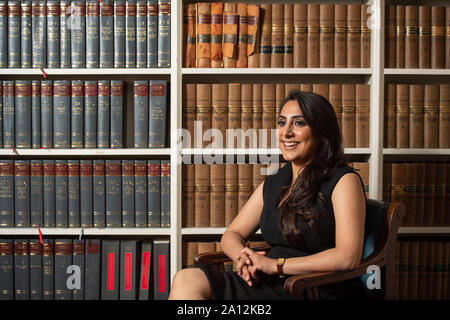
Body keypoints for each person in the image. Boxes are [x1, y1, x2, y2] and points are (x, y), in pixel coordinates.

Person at [169, 90, 367, 300]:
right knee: (186, 279)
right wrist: (244, 257)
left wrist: (276, 266)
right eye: (282, 123)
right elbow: (232, 234)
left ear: (321, 133)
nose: (286, 132)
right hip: (269, 280)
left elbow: (348, 257)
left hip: (315, 286)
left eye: (299, 123)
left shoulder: (344, 180)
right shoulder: (276, 181)